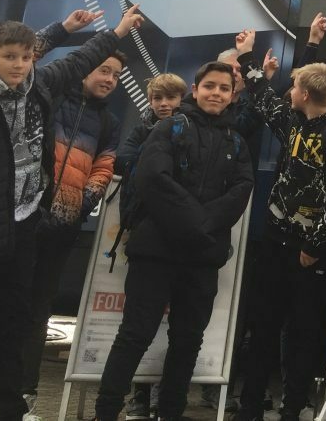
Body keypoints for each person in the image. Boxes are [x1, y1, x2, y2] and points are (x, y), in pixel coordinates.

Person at [0, 5, 142, 421]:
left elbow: (79, 59)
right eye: (10, 57)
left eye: (25, 57)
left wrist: (118, 31)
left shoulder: (38, 84)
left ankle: (8, 407)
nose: (19, 65)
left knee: (15, 319)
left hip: (25, 224)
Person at [92, 61, 255, 421]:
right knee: (135, 334)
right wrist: (197, 223)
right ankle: (105, 412)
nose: (216, 93)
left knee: (188, 340)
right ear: (195, 91)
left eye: (224, 88)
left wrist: (200, 225)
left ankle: (170, 411)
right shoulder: (168, 127)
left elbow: (241, 191)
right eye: (209, 86)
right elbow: (152, 178)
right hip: (156, 252)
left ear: (232, 96)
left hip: (202, 259)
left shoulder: (238, 143)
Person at [235, 48, 326, 421]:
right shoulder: (294, 122)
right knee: (263, 325)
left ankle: (292, 408)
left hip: (308, 253)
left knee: (302, 333)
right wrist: (247, 59)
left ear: (305, 94)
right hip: (274, 242)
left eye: (294, 87)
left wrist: (315, 244)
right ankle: (249, 407)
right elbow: (263, 99)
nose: (289, 92)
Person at [119, 73, 189, 421]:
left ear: (182, 99)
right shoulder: (141, 129)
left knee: (177, 326)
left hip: (179, 237)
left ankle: (164, 397)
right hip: (144, 233)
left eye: (170, 98)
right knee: (140, 322)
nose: (164, 104)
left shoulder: (191, 130)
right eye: (157, 98)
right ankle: (138, 397)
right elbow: (123, 159)